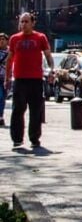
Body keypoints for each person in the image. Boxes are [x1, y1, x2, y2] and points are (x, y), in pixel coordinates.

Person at [4, 13, 53, 148]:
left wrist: (51, 70)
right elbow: (10, 59)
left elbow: (48, 55)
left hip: (36, 79)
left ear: (33, 23)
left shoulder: (40, 37)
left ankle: (34, 138)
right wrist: (7, 77)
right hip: (20, 79)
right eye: (21, 22)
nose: (23, 24)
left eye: (26, 21)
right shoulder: (14, 39)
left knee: (36, 110)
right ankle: (17, 138)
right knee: (18, 110)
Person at [0, 33, 8, 127]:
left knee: (3, 98)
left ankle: (1, 115)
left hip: (6, 78)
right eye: (0, 39)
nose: (1, 41)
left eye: (3, 39)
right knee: (0, 96)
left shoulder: (10, 51)